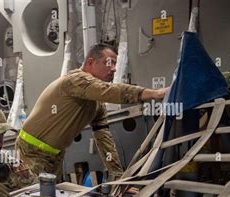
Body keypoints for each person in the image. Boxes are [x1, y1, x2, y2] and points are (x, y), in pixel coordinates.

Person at [15, 43, 167, 182]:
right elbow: (110, 91)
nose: (113, 68)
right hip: (32, 152)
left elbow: (104, 139)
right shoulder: (75, 80)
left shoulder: (97, 104)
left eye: (115, 64)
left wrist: (117, 178)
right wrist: (154, 93)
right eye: (108, 62)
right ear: (90, 62)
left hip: (55, 156)